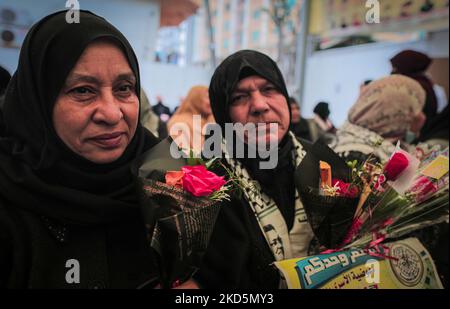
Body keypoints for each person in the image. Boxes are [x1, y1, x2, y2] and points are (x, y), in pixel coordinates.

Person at [0, 11, 162, 288]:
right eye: (83, 90)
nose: (112, 114)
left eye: (124, 88)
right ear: (39, 100)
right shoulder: (9, 200)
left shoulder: (165, 172)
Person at [192, 50, 349, 288]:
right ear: (224, 115)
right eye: (239, 97)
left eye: (268, 89)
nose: (259, 105)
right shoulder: (206, 182)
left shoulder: (323, 163)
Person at [329, 75, 426, 163]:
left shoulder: (360, 138)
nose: (421, 116)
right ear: (395, 113)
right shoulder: (360, 155)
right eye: (415, 109)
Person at [390, 50, 438, 138]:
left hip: (418, 135)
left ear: (407, 66)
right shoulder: (424, 81)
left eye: (395, 67)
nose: (392, 72)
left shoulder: (414, 86)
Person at [167, 86, 214, 154]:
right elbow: (184, 155)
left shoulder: (212, 119)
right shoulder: (178, 121)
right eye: (208, 97)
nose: (212, 101)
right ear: (196, 99)